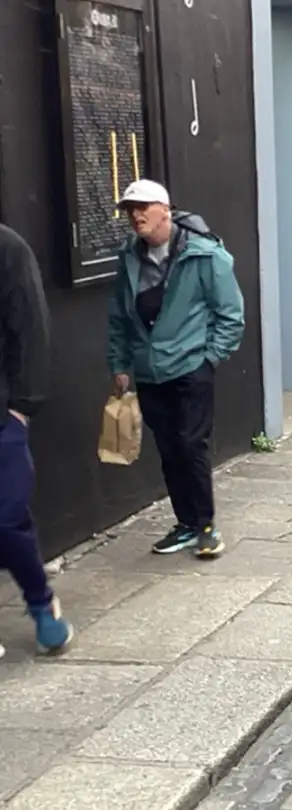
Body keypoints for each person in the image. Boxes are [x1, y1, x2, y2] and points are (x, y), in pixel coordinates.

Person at [108, 179, 244, 559]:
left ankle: (205, 526)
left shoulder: (205, 255)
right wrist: (119, 363)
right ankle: (185, 523)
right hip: (149, 371)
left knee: (191, 445)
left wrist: (209, 359)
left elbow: (231, 315)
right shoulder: (129, 257)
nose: (135, 216)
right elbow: (119, 315)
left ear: (164, 209)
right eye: (129, 210)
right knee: (169, 448)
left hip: (190, 368)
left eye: (142, 207)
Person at [0, 224, 74, 659]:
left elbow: (30, 326)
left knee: (7, 518)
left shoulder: (8, 248)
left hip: (3, 415)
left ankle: (40, 601)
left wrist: (21, 404)